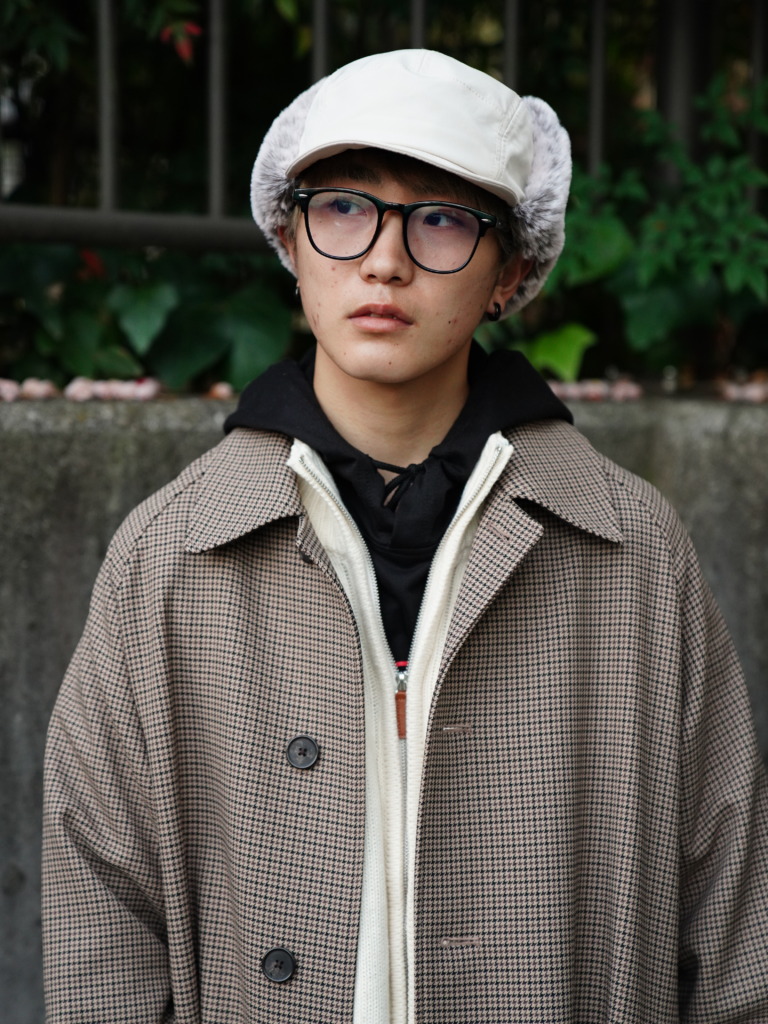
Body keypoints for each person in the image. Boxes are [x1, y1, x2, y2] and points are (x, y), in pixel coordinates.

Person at [42, 49, 768, 1024]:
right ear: (289, 238)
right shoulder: (169, 556)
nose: (384, 259)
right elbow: (102, 931)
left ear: (512, 269)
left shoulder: (631, 553)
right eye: (344, 207)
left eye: (439, 219)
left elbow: (736, 934)